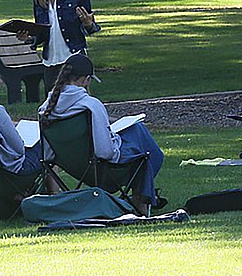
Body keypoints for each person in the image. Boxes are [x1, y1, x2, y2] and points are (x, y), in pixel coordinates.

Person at [38, 53, 165, 213]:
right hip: (102, 169)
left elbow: (48, 154)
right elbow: (105, 152)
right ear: (85, 80)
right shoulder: (90, 105)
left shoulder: (45, 109)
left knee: (139, 141)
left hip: (76, 167)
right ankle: (142, 199)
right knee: (141, 139)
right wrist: (115, 141)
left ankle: (143, 197)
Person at [16, 0, 100, 89]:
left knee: (77, 103)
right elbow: (43, 33)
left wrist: (88, 23)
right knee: (53, 104)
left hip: (73, 58)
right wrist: (29, 38)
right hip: (51, 62)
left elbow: (91, 28)